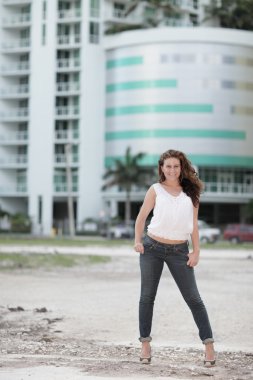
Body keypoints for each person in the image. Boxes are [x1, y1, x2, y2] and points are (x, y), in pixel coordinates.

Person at [134, 149, 215, 366]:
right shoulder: (156, 190)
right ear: (162, 168)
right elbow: (141, 217)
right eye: (168, 166)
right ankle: (145, 344)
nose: (172, 170)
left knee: (194, 299)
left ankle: (209, 346)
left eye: (176, 166)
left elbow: (194, 225)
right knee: (147, 297)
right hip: (152, 248)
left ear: (182, 167)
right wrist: (137, 241)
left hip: (180, 250)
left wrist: (196, 251)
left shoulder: (191, 192)